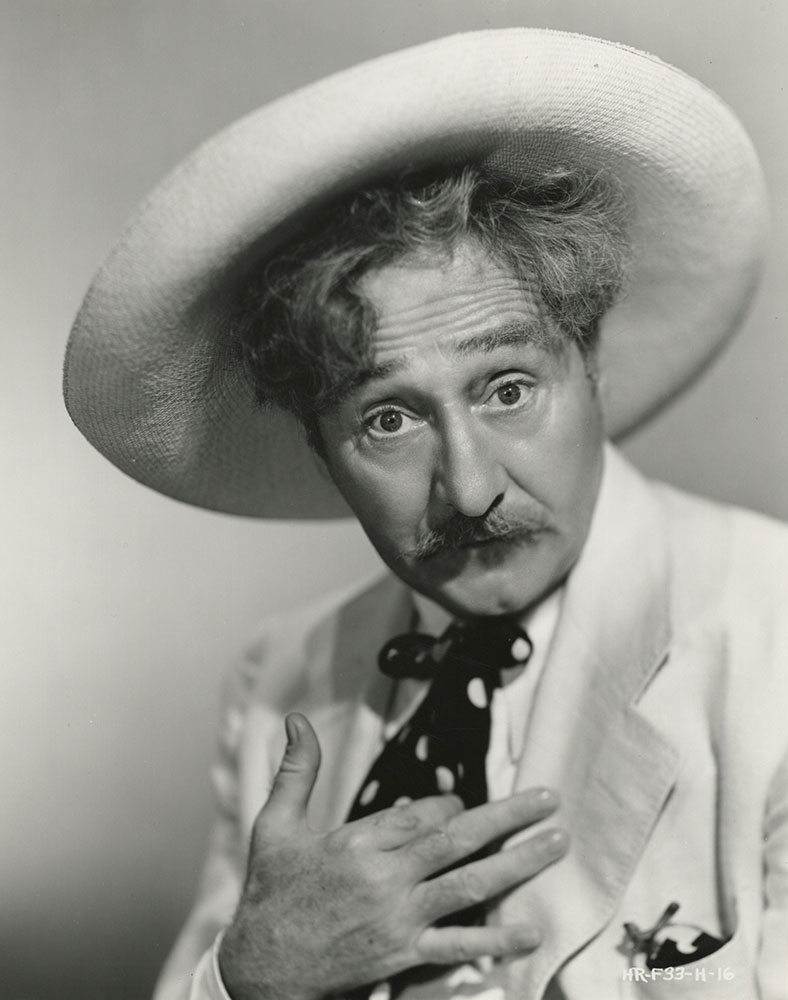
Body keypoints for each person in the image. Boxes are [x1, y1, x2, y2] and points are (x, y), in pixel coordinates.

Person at [63, 29, 787, 1000]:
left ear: (593, 366)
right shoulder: (281, 685)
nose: (470, 489)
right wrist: (253, 977)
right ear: (319, 447)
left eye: (507, 389)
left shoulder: (771, 633)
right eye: (388, 419)